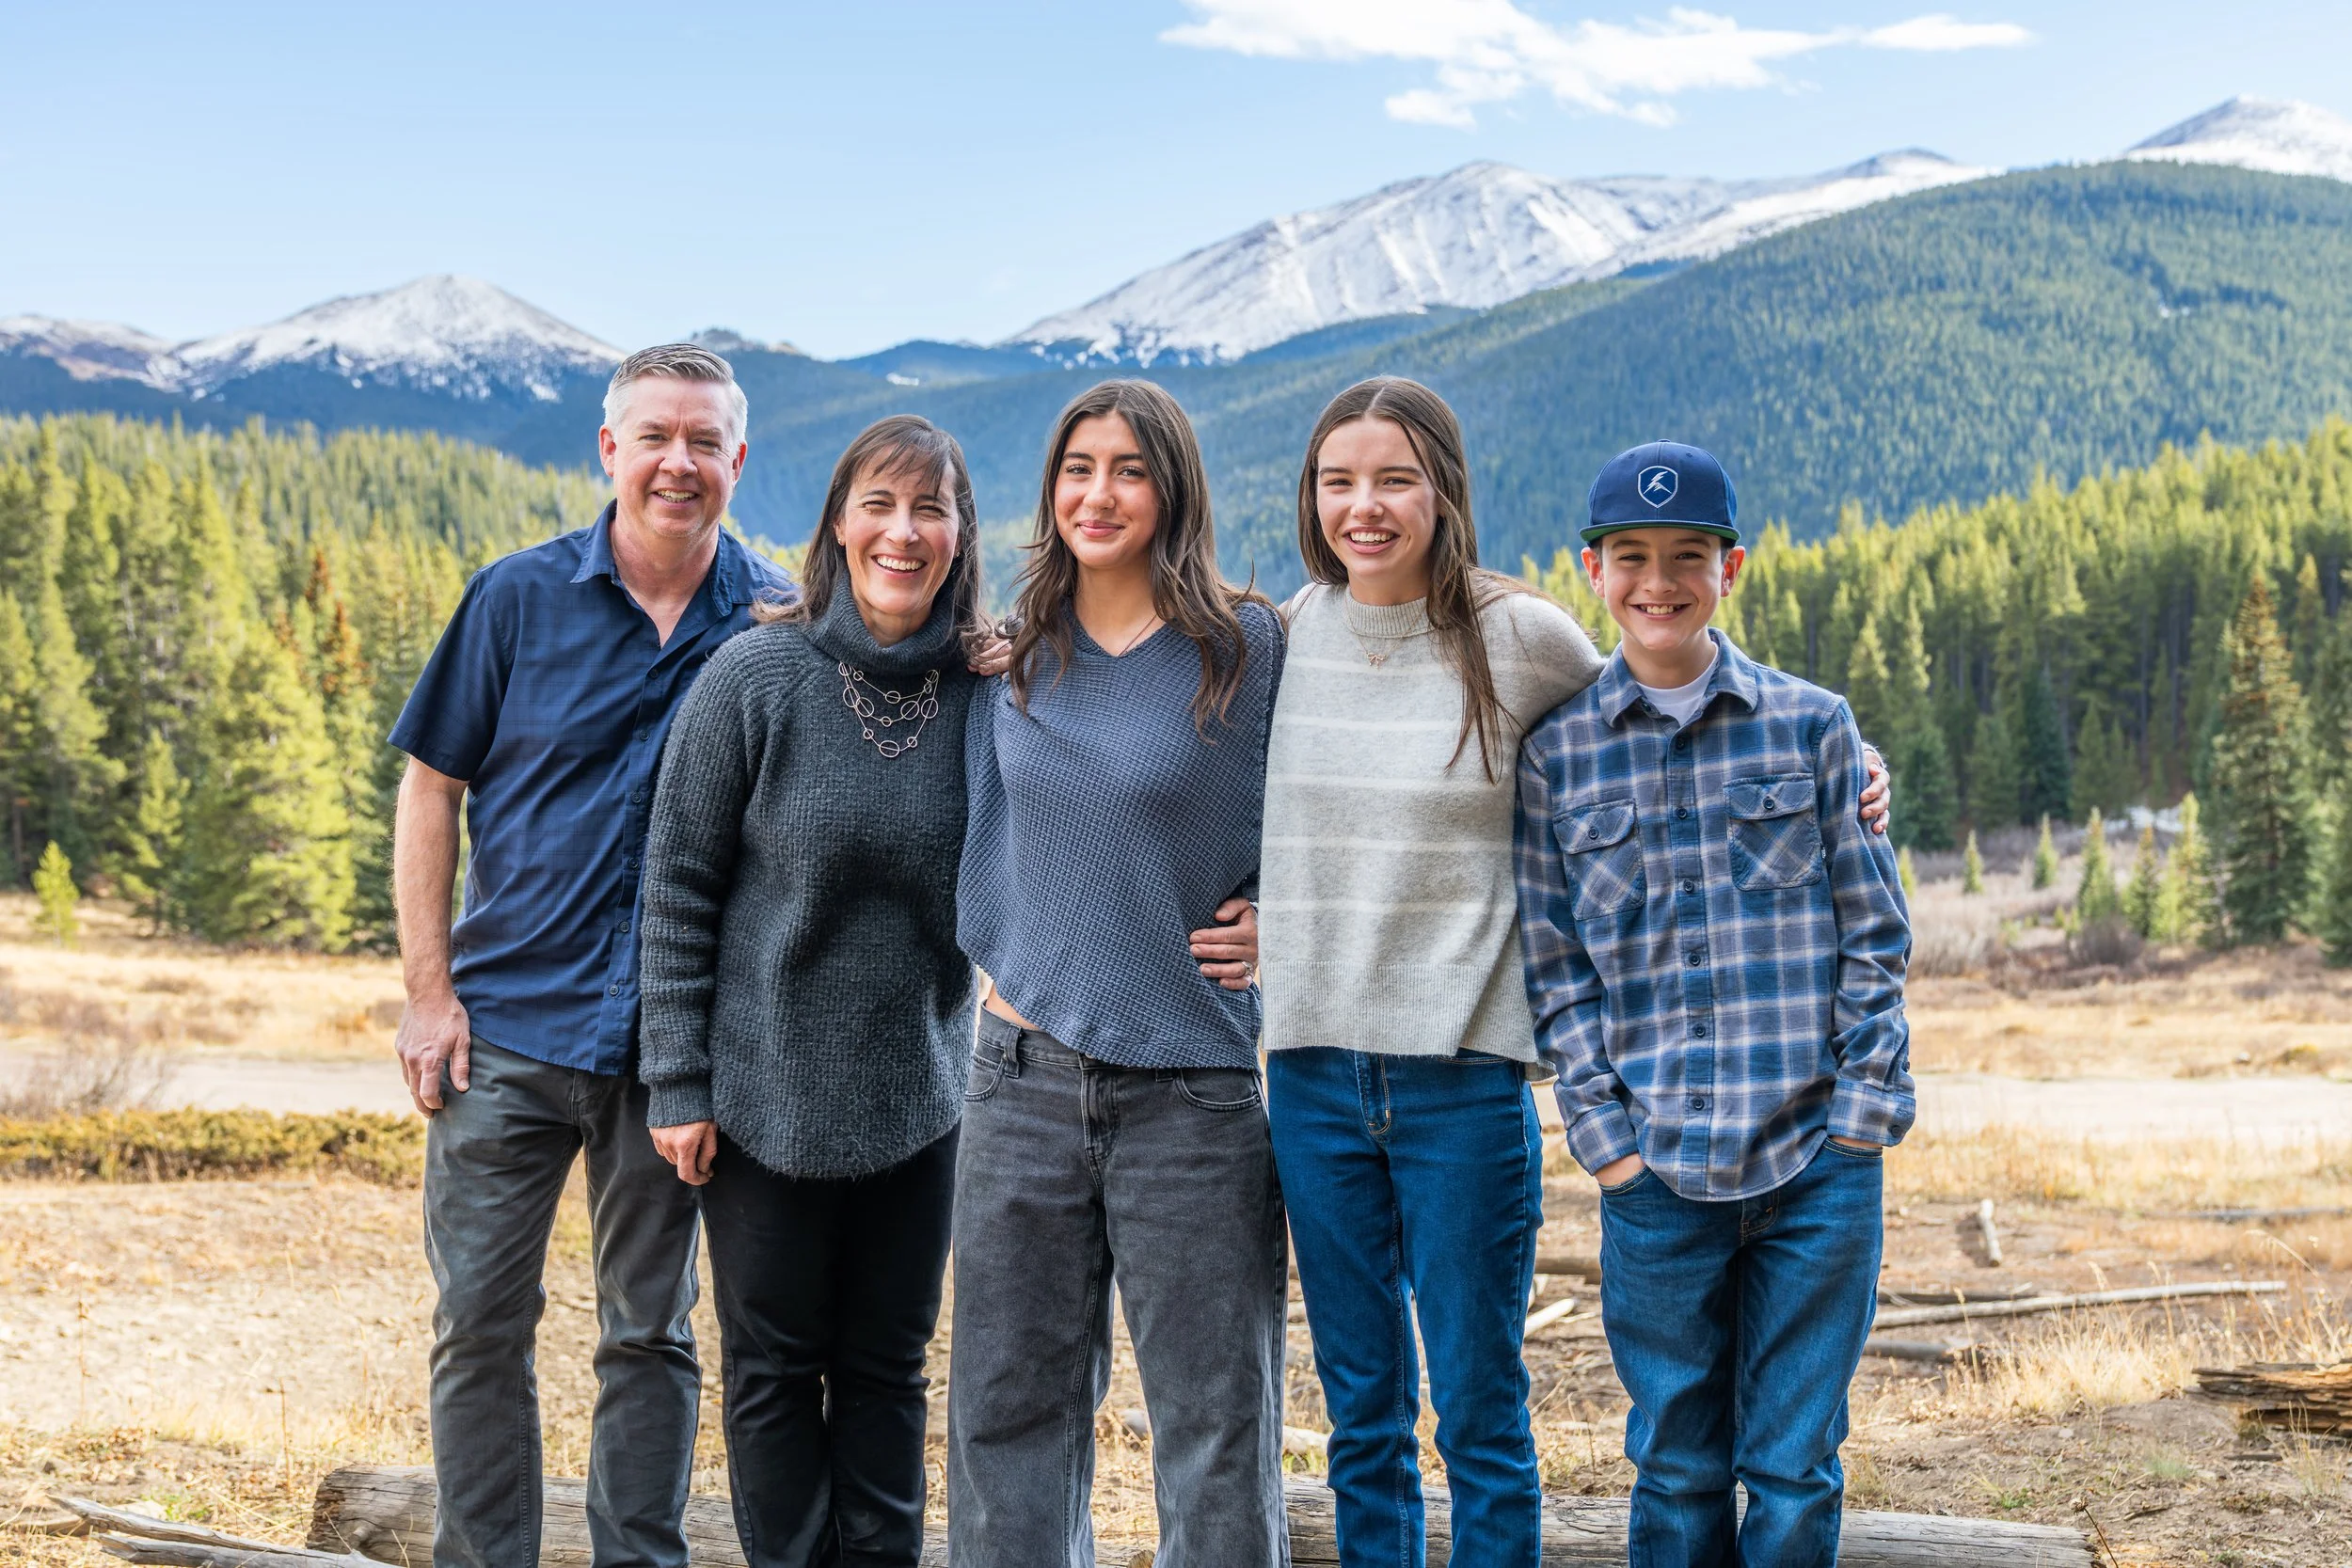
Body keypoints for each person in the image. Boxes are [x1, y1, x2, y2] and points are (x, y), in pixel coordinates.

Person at [1259, 388, 1889, 1568]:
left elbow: (1664, 705)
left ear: (1444, 489)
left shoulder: (1521, 637)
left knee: (1481, 1410)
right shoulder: (1280, 636)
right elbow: (1178, 768)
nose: (1363, 505)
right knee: (1360, 1413)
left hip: (1463, 1074)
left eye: (1394, 478)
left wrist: (1851, 766)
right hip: (1308, 1071)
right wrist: (1243, 910)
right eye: (1337, 480)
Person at [389, 343, 793, 1568]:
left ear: (737, 459)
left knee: (650, 1333)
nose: (679, 461)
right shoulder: (514, 598)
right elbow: (430, 786)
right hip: (503, 1033)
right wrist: (426, 993)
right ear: (610, 448)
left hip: (671, 1057)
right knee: (477, 1324)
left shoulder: (778, 622)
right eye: (654, 435)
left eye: (704, 440)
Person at [1515, 441, 1913, 1568]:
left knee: (1795, 1466)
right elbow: (1556, 967)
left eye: (1687, 555)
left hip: (1816, 1168)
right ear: (1592, 570)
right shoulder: (1555, 757)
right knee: (1677, 1466)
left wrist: (1858, 1121)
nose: (1658, 581)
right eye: (1631, 557)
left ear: (1729, 568)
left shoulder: (1814, 726)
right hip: (1655, 1174)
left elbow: (1875, 934)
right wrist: (1606, 1144)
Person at [634, 415, 987, 1567]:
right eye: (878, 504)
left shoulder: (987, 690)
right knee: (774, 1376)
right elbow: (677, 886)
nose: (902, 532)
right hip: (760, 1099)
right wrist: (678, 1079)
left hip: (919, 1098)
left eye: (929, 508)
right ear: (839, 523)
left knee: (888, 1371)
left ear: (959, 534)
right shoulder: (757, 675)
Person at [949, 379, 1286, 1568]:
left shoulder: (1247, 649)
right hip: (1018, 1080)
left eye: (1129, 469)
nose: (1098, 493)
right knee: (1006, 1420)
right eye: (1078, 467)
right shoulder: (1006, 654)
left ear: (1172, 489)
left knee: (1215, 1425)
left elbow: (1348, 787)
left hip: (1191, 1091)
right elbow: (851, 629)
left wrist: (1288, 914)